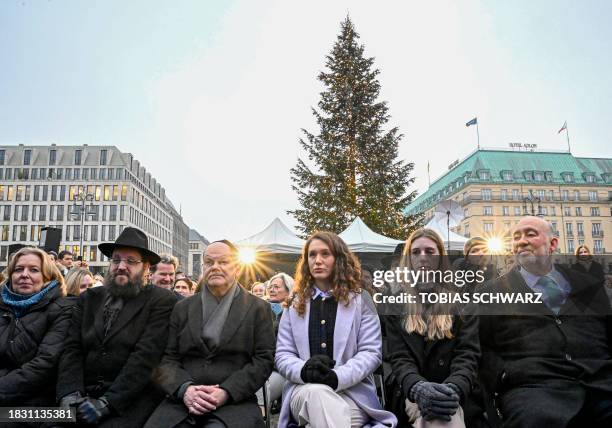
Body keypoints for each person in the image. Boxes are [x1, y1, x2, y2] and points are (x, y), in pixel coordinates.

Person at [479, 216, 612, 427]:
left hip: (602, 382)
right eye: (516, 237)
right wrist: (502, 376)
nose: (521, 241)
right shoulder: (492, 292)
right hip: (534, 391)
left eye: (530, 234)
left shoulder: (588, 286)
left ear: (553, 244)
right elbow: (476, 345)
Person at [145, 240, 275, 428]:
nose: (215, 267)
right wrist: (185, 390)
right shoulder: (182, 308)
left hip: (234, 402)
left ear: (236, 267)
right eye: (209, 262)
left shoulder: (258, 309)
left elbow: (264, 360)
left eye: (223, 262)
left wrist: (226, 392)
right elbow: (167, 359)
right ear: (203, 267)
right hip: (184, 400)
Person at [56, 227, 178, 427]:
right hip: (80, 395)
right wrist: (69, 394)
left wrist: (107, 404)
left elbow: (145, 357)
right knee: (23, 418)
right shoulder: (89, 298)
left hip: (127, 402)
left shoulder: (162, 301)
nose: (121, 266)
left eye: (131, 261)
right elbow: (72, 349)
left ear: (146, 268)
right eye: (116, 259)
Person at [275, 231, 397, 428]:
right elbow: (283, 354)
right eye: (312, 255)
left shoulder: (361, 299)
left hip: (352, 394)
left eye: (325, 254)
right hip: (303, 390)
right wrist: (305, 371)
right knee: (317, 395)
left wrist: (336, 377)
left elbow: (370, 352)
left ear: (339, 259)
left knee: (321, 417)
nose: (318, 260)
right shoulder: (293, 303)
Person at [386, 228, 481, 427]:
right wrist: (417, 388)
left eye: (430, 252)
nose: (423, 258)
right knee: (437, 417)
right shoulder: (395, 304)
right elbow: (400, 357)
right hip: (409, 391)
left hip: (456, 388)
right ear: (409, 259)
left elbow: (467, 355)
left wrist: (454, 388)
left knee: (443, 414)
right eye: (416, 252)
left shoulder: (463, 301)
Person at [0, 248, 74, 411]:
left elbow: (45, 365)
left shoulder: (62, 309)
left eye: (34, 270)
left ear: (48, 277)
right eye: (18, 269)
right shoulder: (2, 305)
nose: (24, 274)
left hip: (34, 406)